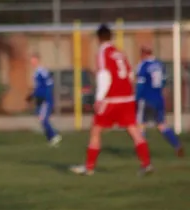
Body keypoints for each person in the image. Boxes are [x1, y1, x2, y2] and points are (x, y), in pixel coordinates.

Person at [70, 24, 153, 176]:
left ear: (98, 38)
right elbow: (130, 75)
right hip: (127, 97)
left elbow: (104, 76)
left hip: (111, 98)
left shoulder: (103, 52)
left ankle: (89, 167)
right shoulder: (119, 52)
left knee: (95, 130)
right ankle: (146, 163)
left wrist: (99, 98)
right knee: (133, 130)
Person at [136, 46, 183, 157]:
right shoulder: (160, 65)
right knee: (162, 125)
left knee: (141, 125)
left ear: (143, 54)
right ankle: (177, 145)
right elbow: (164, 82)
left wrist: (137, 99)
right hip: (158, 98)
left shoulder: (143, 65)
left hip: (146, 99)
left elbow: (140, 84)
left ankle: (142, 153)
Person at [26, 54, 62, 147]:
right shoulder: (36, 72)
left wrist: (46, 96)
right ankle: (52, 137)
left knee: (43, 119)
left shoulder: (42, 71)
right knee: (41, 118)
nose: (32, 62)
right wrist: (32, 95)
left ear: (38, 60)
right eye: (31, 60)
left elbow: (49, 83)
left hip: (45, 99)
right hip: (40, 98)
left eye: (33, 60)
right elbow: (38, 87)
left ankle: (54, 136)